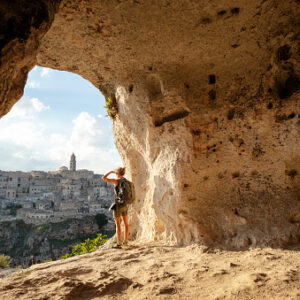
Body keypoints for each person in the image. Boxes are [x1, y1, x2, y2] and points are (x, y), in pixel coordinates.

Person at [102, 167, 129, 249]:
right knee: (126, 224)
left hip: (118, 206)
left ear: (117, 173)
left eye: (116, 173)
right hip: (125, 205)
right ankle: (126, 241)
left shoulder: (116, 181)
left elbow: (103, 178)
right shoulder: (127, 182)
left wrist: (110, 172)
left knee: (118, 225)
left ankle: (119, 244)